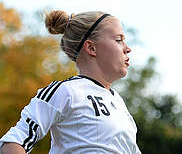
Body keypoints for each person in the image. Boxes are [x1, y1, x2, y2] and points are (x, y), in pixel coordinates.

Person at [0, 10, 142, 154]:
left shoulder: (118, 102)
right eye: (119, 40)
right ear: (91, 48)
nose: (127, 48)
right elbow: (13, 143)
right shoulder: (66, 91)